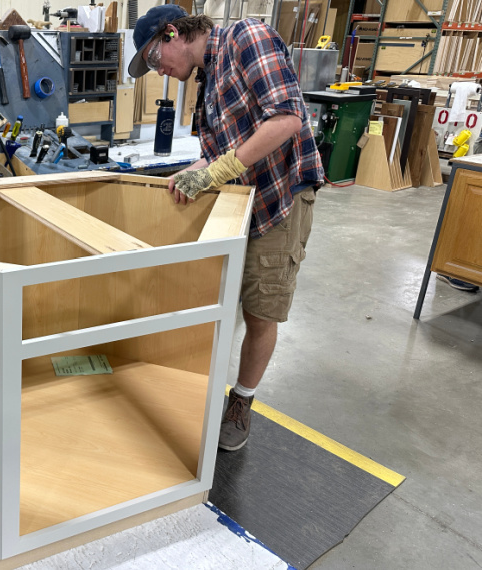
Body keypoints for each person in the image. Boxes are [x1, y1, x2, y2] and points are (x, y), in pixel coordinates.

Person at [129, 6, 324, 451]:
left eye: (155, 57)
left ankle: (242, 402)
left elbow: (288, 118)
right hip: (237, 204)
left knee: (260, 309)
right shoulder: (207, 79)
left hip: (278, 201)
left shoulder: (245, 37)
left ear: (174, 32)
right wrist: (192, 171)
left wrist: (219, 171)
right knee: (217, 300)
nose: (158, 69)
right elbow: (216, 151)